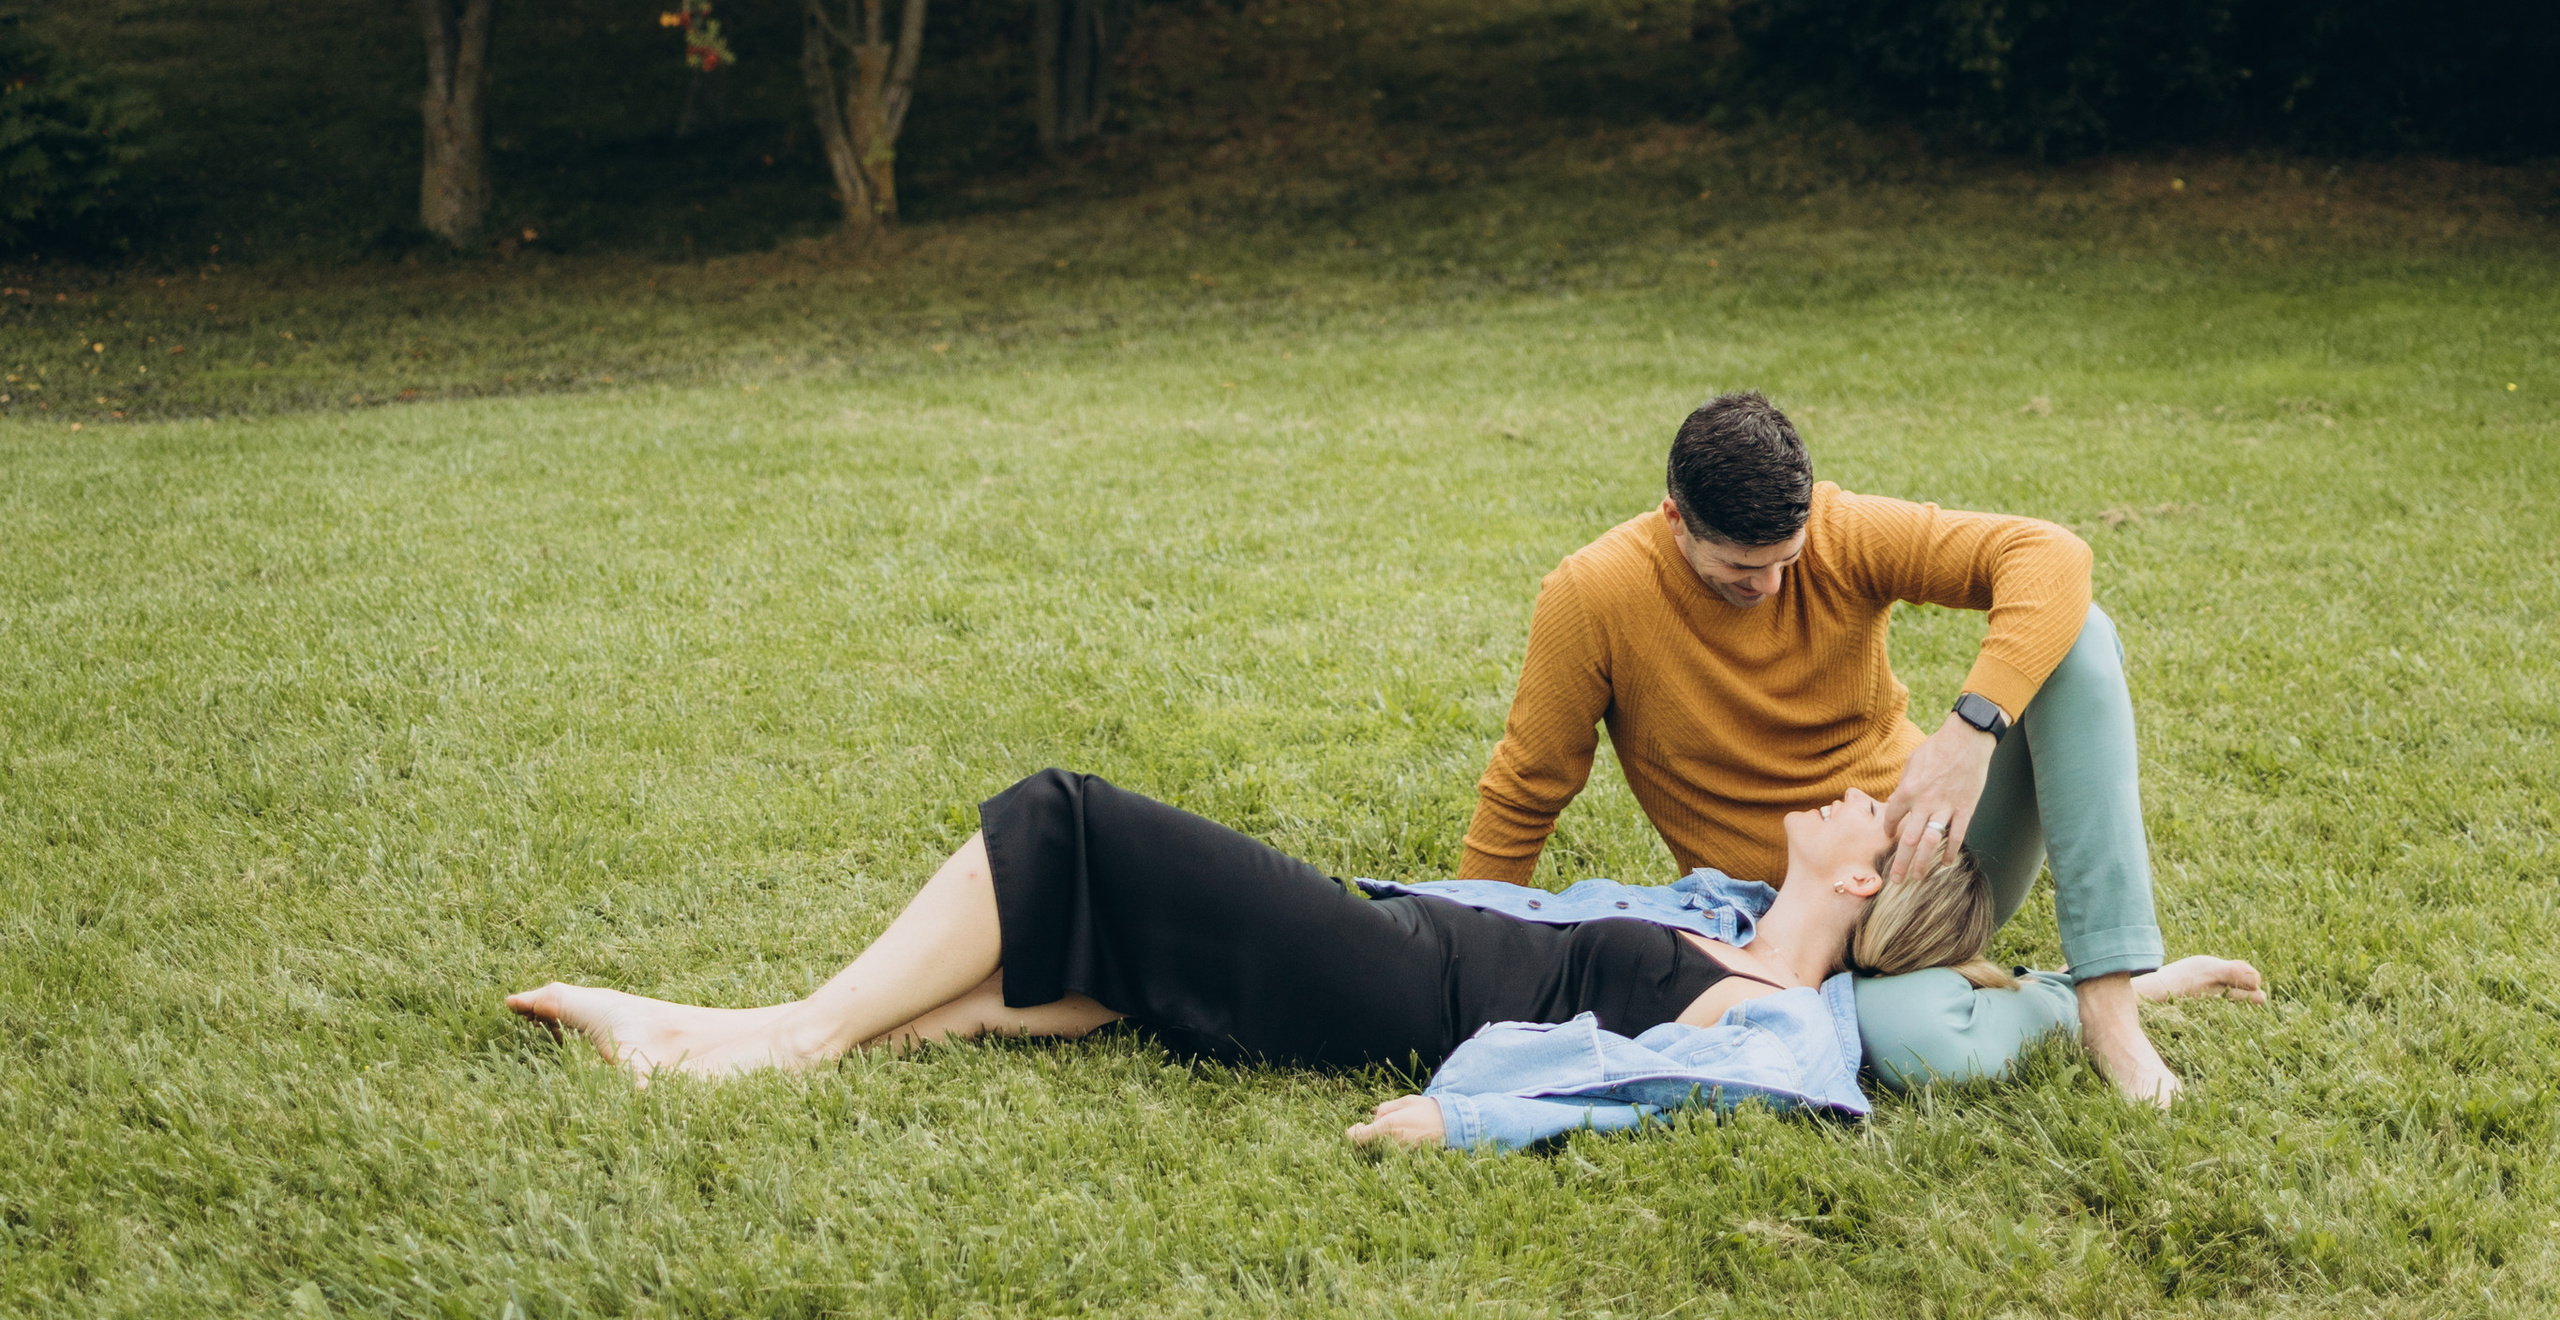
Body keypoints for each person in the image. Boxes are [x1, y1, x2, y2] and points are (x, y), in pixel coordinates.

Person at [506, 766, 2100, 1139]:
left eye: (1871, 810)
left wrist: (1459, 1118)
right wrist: (2131, 980)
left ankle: (775, 1036)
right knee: (1091, 968)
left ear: (1873, 882)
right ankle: (735, 1029)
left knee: (1067, 818)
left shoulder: (1782, 1021)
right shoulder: (1720, 919)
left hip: (1391, 991)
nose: (1851, 791)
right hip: (1393, 937)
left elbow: (1641, 1089)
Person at [1459, 386, 2253, 1104]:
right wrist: (1463, 950)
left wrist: (1969, 736)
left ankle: (2112, 1007)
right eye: (1741, 569)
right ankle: (2065, 993)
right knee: (1924, 1043)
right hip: (1796, 931)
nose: (1769, 587)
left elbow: (2052, 554)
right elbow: (1528, 787)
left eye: (1787, 560)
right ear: (1675, 519)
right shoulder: (1591, 595)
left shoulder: (1841, 531)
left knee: (2082, 633)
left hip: (1930, 864)